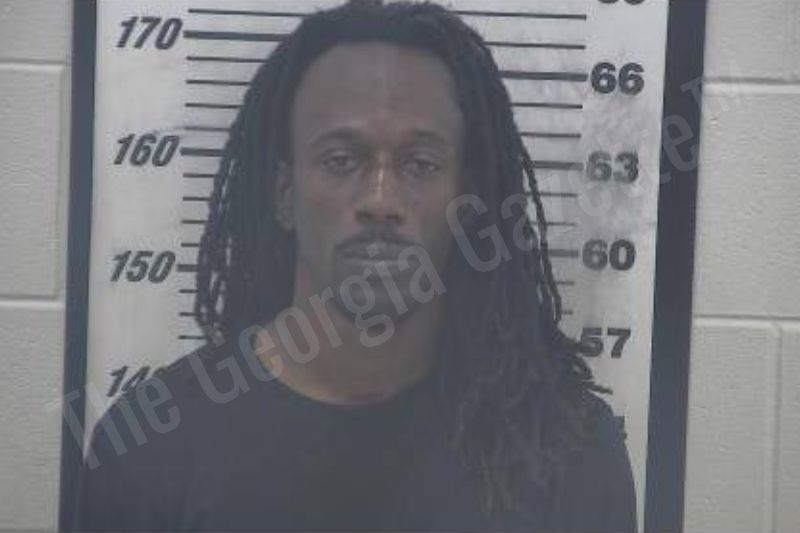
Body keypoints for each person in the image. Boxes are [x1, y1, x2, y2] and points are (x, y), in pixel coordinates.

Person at [72, 0, 636, 531]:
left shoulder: (570, 453)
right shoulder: (151, 448)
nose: (380, 200)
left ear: (467, 203)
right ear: (285, 195)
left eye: (420, 164)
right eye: (341, 160)